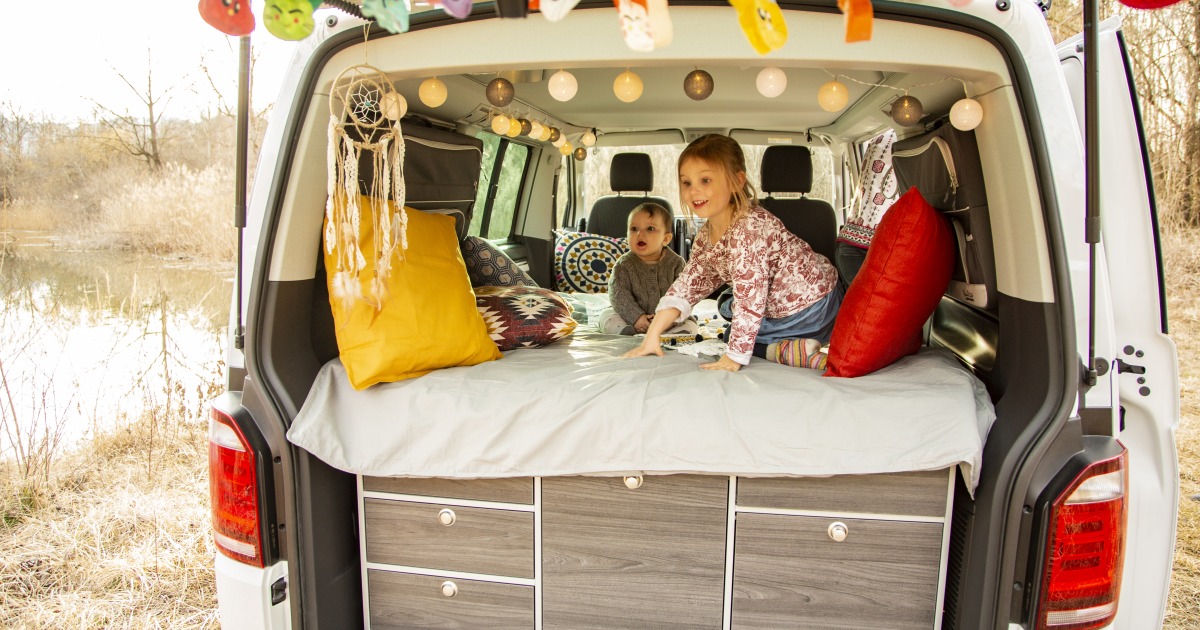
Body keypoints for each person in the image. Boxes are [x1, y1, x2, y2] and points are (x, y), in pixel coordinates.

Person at [622, 134, 842, 372]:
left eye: (706, 180)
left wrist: (734, 357)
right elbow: (687, 286)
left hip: (813, 309)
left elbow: (750, 299)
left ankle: (784, 350)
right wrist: (652, 335)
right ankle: (789, 346)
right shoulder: (706, 237)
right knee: (728, 310)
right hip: (804, 304)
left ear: (737, 182)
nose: (694, 191)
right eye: (686, 183)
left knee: (733, 335)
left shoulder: (749, 229)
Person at [596, 202, 696, 336]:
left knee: (690, 324)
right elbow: (618, 295)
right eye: (634, 229)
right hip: (630, 319)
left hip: (668, 320)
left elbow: (686, 295)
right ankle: (625, 332)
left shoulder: (677, 264)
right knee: (607, 316)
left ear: (666, 239)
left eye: (650, 228)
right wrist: (636, 317)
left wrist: (668, 319)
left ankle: (674, 335)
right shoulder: (624, 265)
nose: (640, 233)